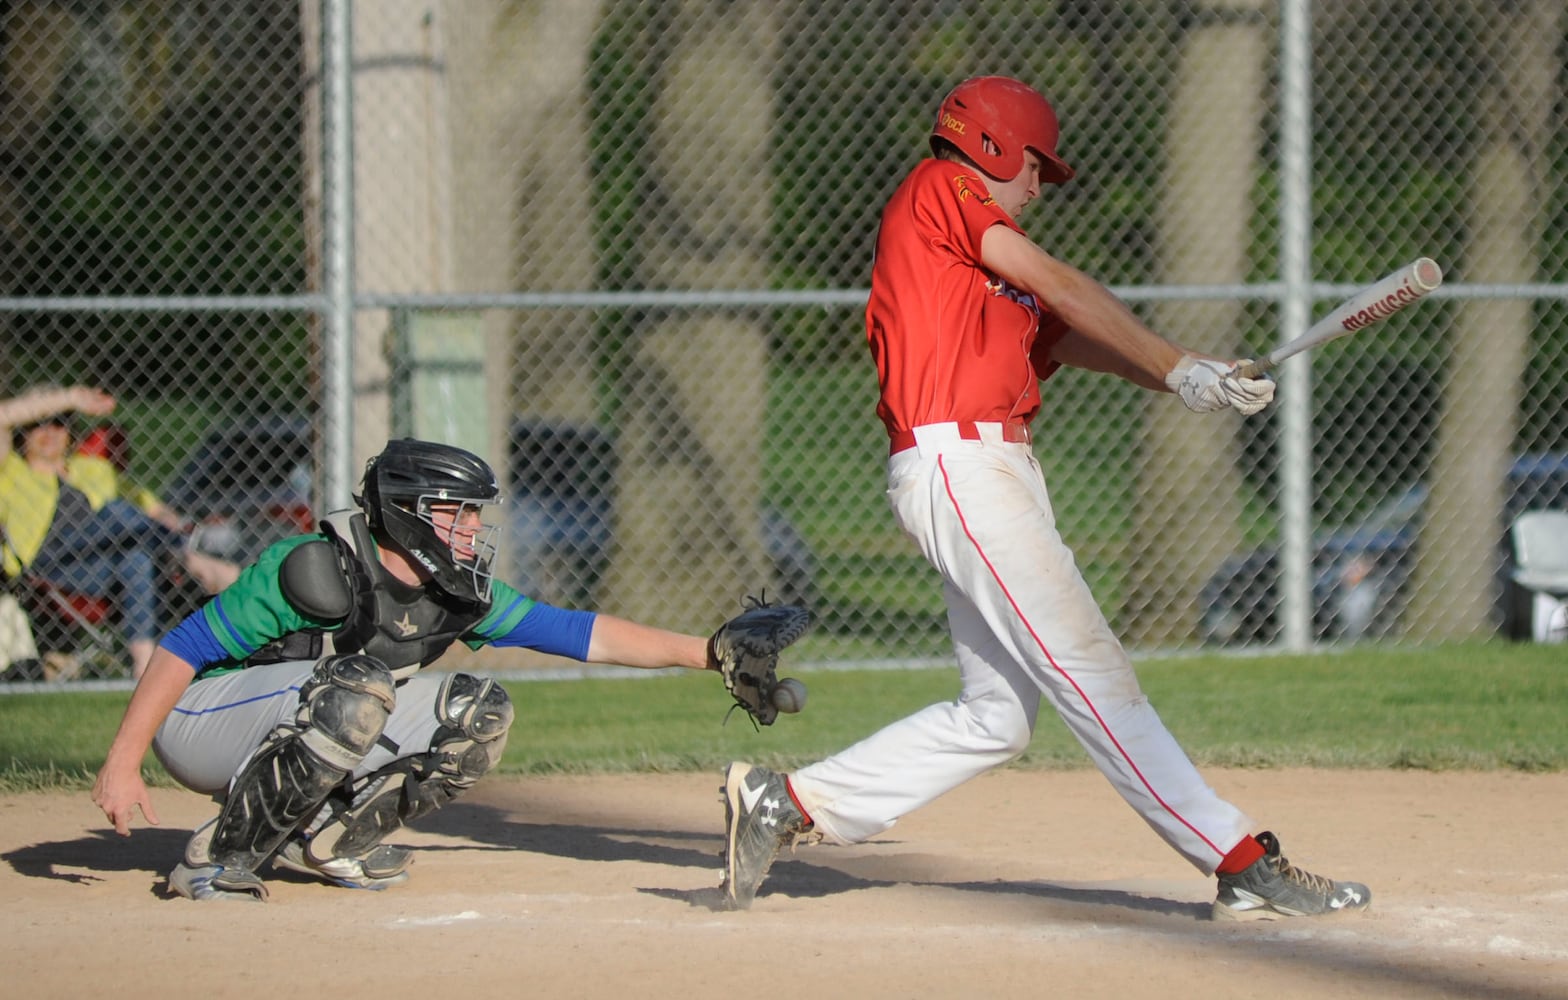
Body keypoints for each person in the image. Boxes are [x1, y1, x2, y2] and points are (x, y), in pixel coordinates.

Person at [718, 76, 1370, 921]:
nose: (1038, 186)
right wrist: (1180, 364)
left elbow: (1088, 335)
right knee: (1090, 666)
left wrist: (1197, 377)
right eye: (1034, 166)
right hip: (959, 465)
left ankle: (787, 803)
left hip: (994, 473)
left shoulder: (986, 275)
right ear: (986, 145)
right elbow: (1065, 285)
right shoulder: (939, 192)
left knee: (997, 718)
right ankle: (1239, 858)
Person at [92, 437, 722, 902]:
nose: (474, 530)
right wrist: (124, 762)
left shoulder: (454, 590)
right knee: (359, 687)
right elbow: (183, 647)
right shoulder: (316, 570)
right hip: (203, 720)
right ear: (407, 513)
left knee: (479, 713)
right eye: (459, 513)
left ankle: (335, 838)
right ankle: (220, 857)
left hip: (313, 711)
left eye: (477, 514)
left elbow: (579, 633)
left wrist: (710, 653)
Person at [0, 385, 186, 679]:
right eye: (38, 424)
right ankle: (189, 556)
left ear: (71, 432)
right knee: (112, 511)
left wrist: (166, 517)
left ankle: (143, 666)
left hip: (93, 564)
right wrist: (70, 398)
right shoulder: (11, 470)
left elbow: (155, 510)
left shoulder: (93, 469)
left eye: (59, 423)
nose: (49, 432)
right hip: (49, 563)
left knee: (135, 556)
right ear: (23, 432)